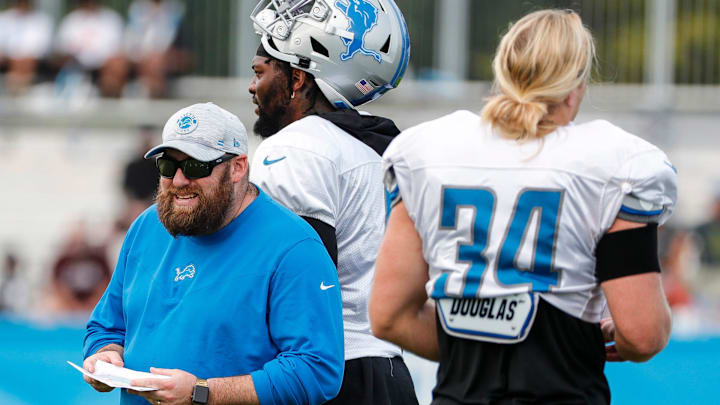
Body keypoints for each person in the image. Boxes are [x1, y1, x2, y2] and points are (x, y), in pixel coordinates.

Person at [370, 9, 677, 404]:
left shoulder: (429, 152)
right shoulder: (616, 164)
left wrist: (479, 349)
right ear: (576, 83)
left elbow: (389, 315)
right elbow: (643, 333)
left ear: (504, 71)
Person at [82, 102, 344, 405]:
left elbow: (316, 370)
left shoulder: (293, 248)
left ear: (237, 167)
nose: (179, 180)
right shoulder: (146, 226)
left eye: (196, 165)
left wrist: (202, 392)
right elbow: (106, 325)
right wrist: (105, 356)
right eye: (168, 166)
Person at [247, 1, 418, 404]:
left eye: (260, 72)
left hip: (327, 373)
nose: (253, 87)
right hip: (386, 369)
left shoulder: (298, 146)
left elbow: (296, 286)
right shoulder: (376, 148)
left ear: (297, 78)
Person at [55, 0, 128, 97]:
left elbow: (117, 49)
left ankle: (110, 97)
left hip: (105, 63)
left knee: (117, 65)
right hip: (75, 64)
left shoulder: (112, 19)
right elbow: (61, 49)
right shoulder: (70, 20)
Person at [0, 0, 53, 95]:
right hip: (9, 60)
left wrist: (24, 57)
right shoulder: (3, 18)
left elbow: (43, 47)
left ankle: (19, 89)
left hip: (32, 60)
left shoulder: (42, 19)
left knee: (25, 61)